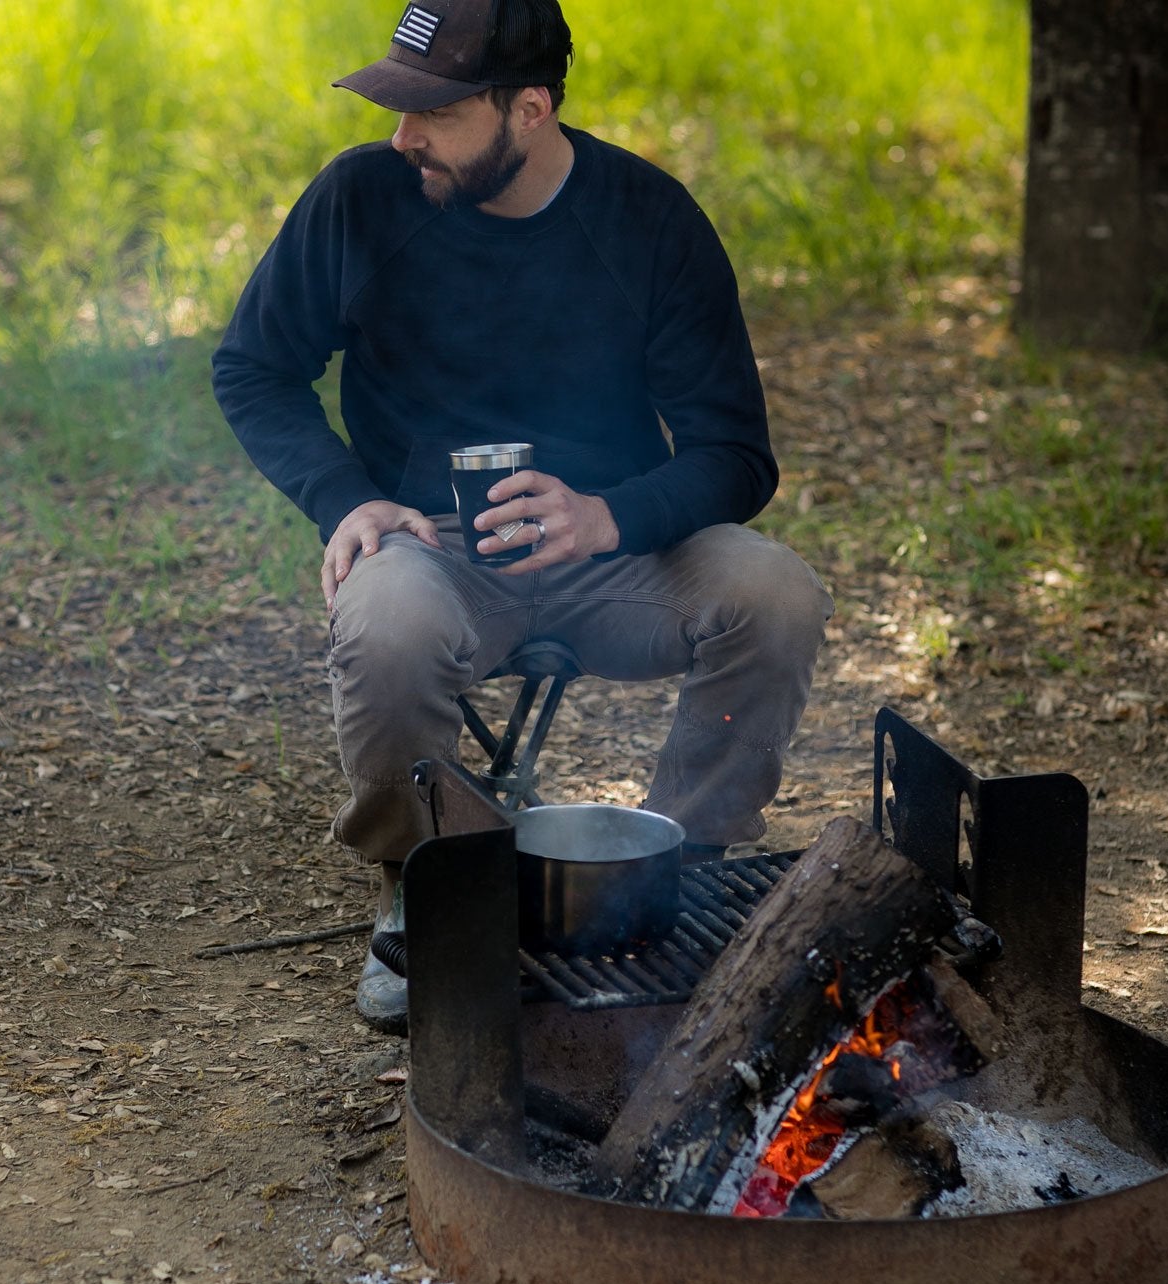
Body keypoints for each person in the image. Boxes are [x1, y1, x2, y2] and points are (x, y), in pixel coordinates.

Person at [211, 0, 833, 1033]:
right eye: (397, 108)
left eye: (435, 114)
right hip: (432, 550)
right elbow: (252, 369)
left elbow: (734, 451)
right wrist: (349, 500)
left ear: (529, 110)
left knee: (774, 590)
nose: (403, 136)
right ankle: (424, 888)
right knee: (386, 623)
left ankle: (681, 871)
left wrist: (605, 515)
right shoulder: (361, 199)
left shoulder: (648, 221)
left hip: (618, 556)